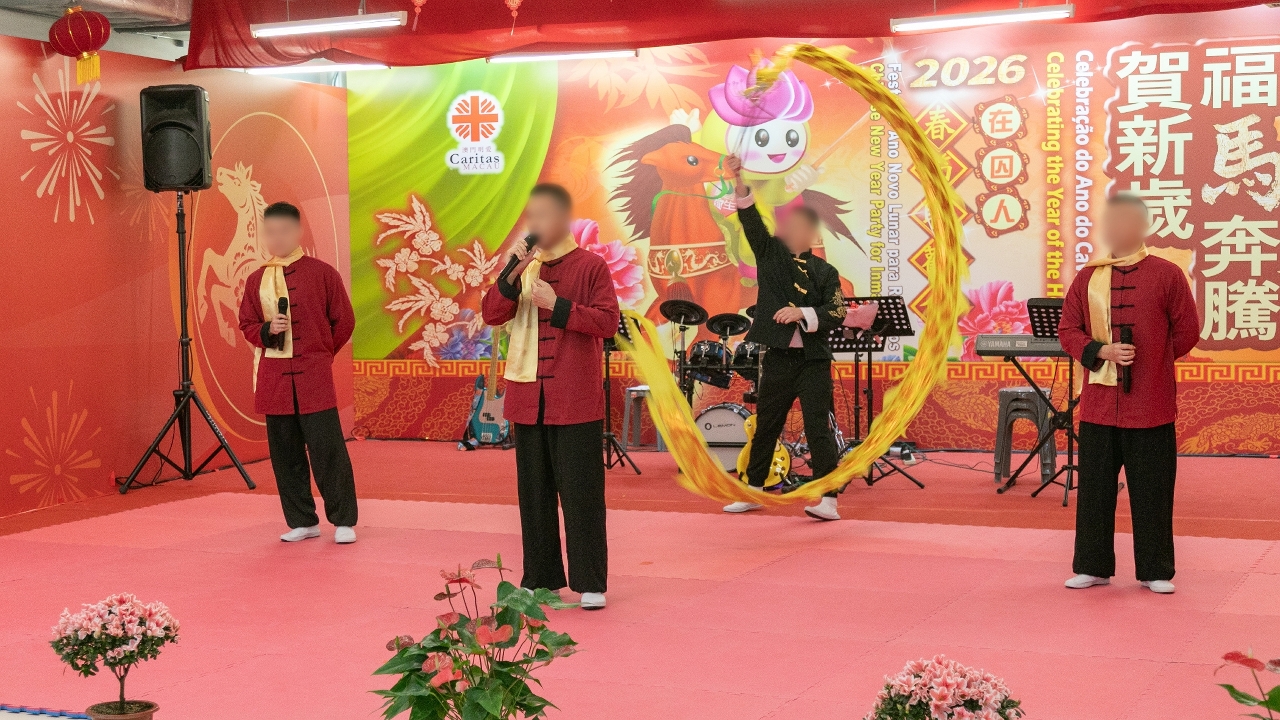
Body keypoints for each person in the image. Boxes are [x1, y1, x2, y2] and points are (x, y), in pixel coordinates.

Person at [481, 183, 621, 610]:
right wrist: (510, 275)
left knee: (581, 495)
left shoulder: (591, 266)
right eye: (532, 216)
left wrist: (557, 304)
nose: (535, 223)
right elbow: (491, 313)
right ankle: (540, 578)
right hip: (528, 399)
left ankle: (590, 582)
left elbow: (607, 323)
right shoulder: (524, 268)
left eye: (543, 215)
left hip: (574, 399)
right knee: (534, 496)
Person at [1057, 194, 1199, 594]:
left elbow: (1187, 331)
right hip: (1099, 408)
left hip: (1151, 406)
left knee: (1153, 491)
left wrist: (1154, 361)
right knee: (1094, 492)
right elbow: (1068, 330)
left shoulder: (1168, 274)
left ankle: (1156, 570)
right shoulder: (1088, 278)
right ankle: (1093, 567)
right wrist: (1101, 352)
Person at [718, 155, 850, 521]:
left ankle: (828, 500)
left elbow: (837, 312)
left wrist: (803, 313)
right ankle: (754, 490)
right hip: (778, 356)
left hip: (813, 361)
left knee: (818, 428)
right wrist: (738, 178)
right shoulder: (770, 254)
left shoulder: (825, 272)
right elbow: (749, 217)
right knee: (767, 425)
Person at [237, 201, 359, 544]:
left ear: (298, 232)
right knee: (285, 455)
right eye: (270, 232)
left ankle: (344, 520)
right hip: (274, 381)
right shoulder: (256, 280)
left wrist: (321, 354)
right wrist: (267, 330)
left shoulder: (323, 274)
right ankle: (302, 521)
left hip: (314, 379)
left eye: (284, 231)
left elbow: (344, 321)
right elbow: (246, 324)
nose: (277, 238)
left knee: (328, 452)